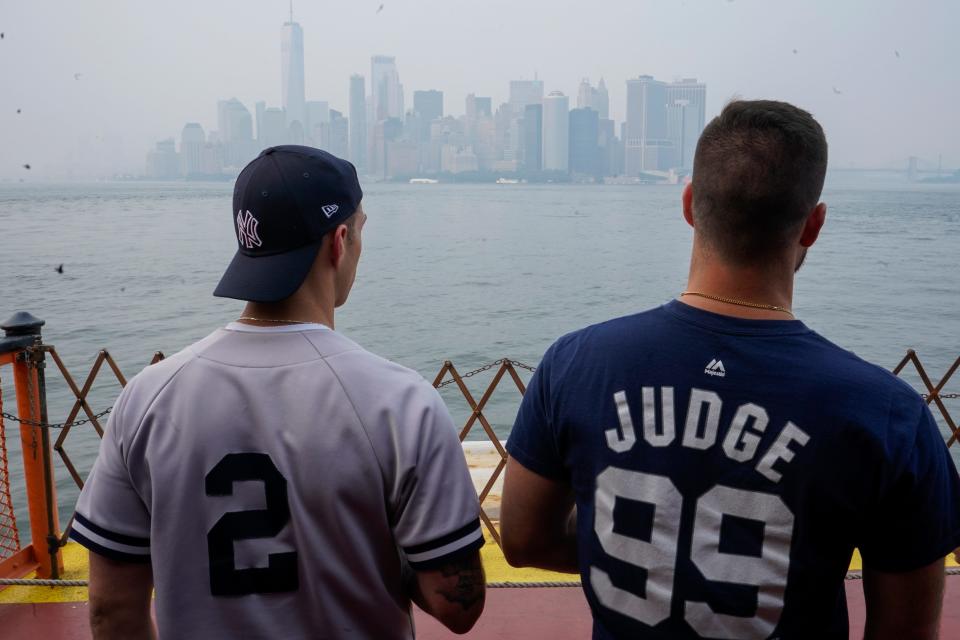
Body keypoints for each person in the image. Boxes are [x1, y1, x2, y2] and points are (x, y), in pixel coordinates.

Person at [500, 101, 960, 639]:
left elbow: (525, 540)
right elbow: (905, 629)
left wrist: (647, 559)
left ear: (691, 204)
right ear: (813, 225)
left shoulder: (574, 364)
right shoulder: (886, 414)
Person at [70, 146, 485, 639]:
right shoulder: (402, 402)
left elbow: (110, 612)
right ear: (340, 241)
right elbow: (458, 605)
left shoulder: (146, 400)